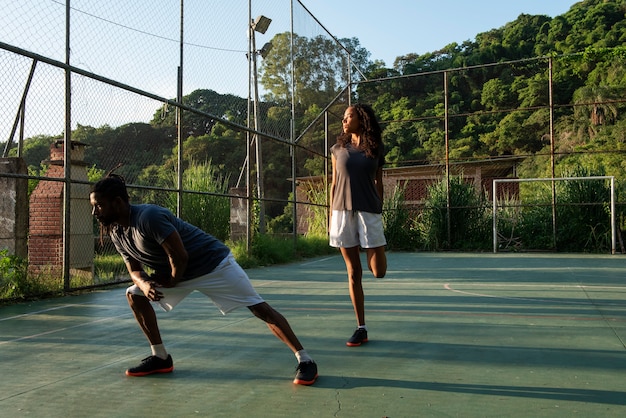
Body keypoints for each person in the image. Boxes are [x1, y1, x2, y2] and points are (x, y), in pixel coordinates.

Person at [89, 173, 318, 385]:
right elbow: (134, 270)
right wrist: (145, 283)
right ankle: (160, 357)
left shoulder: (149, 217)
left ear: (118, 202)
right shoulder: (117, 231)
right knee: (134, 293)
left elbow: (179, 256)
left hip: (213, 265)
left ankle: (305, 360)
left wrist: (172, 280)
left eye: (99, 205)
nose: (95, 212)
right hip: (176, 274)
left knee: (258, 308)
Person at [329, 104, 388, 347]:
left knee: (378, 272)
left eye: (349, 116)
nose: (344, 120)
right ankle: (361, 327)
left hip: (368, 211)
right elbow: (334, 184)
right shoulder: (337, 149)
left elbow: (379, 181)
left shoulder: (375, 148)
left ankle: (378, 248)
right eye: (343, 117)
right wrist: (330, 215)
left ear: (361, 119)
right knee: (353, 272)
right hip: (341, 212)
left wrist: (380, 207)